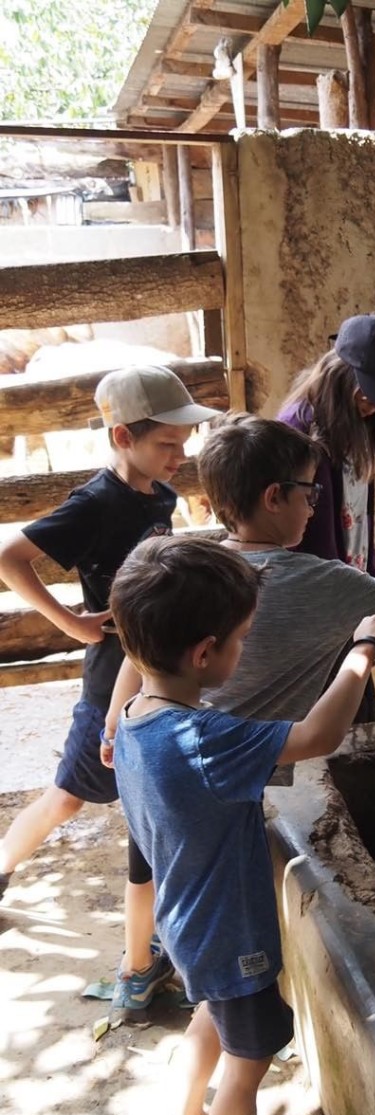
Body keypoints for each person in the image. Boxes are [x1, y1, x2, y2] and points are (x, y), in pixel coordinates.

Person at [102, 412, 375, 1023]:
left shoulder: (193, 563)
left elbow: (141, 649)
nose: (316, 509)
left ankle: (150, 969)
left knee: (163, 876)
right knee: (236, 933)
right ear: (274, 497)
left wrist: (113, 723)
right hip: (231, 771)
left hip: (158, 761)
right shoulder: (318, 579)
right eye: (310, 493)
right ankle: (229, 1010)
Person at [108, 535, 375, 1115]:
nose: (247, 650)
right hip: (230, 932)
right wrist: (362, 650)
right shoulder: (205, 741)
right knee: (247, 1067)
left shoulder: (137, 719)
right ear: (203, 654)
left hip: (185, 921)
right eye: (242, 639)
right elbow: (315, 737)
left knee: (208, 1016)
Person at [0, 364, 217, 990]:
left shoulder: (161, 496)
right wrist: (68, 621)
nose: (180, 457)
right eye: (166, 444)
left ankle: (141, 954)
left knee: (142, 812)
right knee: (68, 795)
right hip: (110, 678)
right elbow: (11, 557)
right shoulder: (94, 504)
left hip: (150, 668)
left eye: (183, 444)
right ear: (122, 437)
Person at [277, 312, 375, 721]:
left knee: (358, 712)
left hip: (347, 602)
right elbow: (308, 543)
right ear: (339, 374)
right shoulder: (300, 432)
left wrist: (371, 585)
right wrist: (357, 597)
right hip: (316, 613)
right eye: (368, 391)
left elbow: (359, 524)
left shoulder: (353, 424)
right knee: (334, 721)